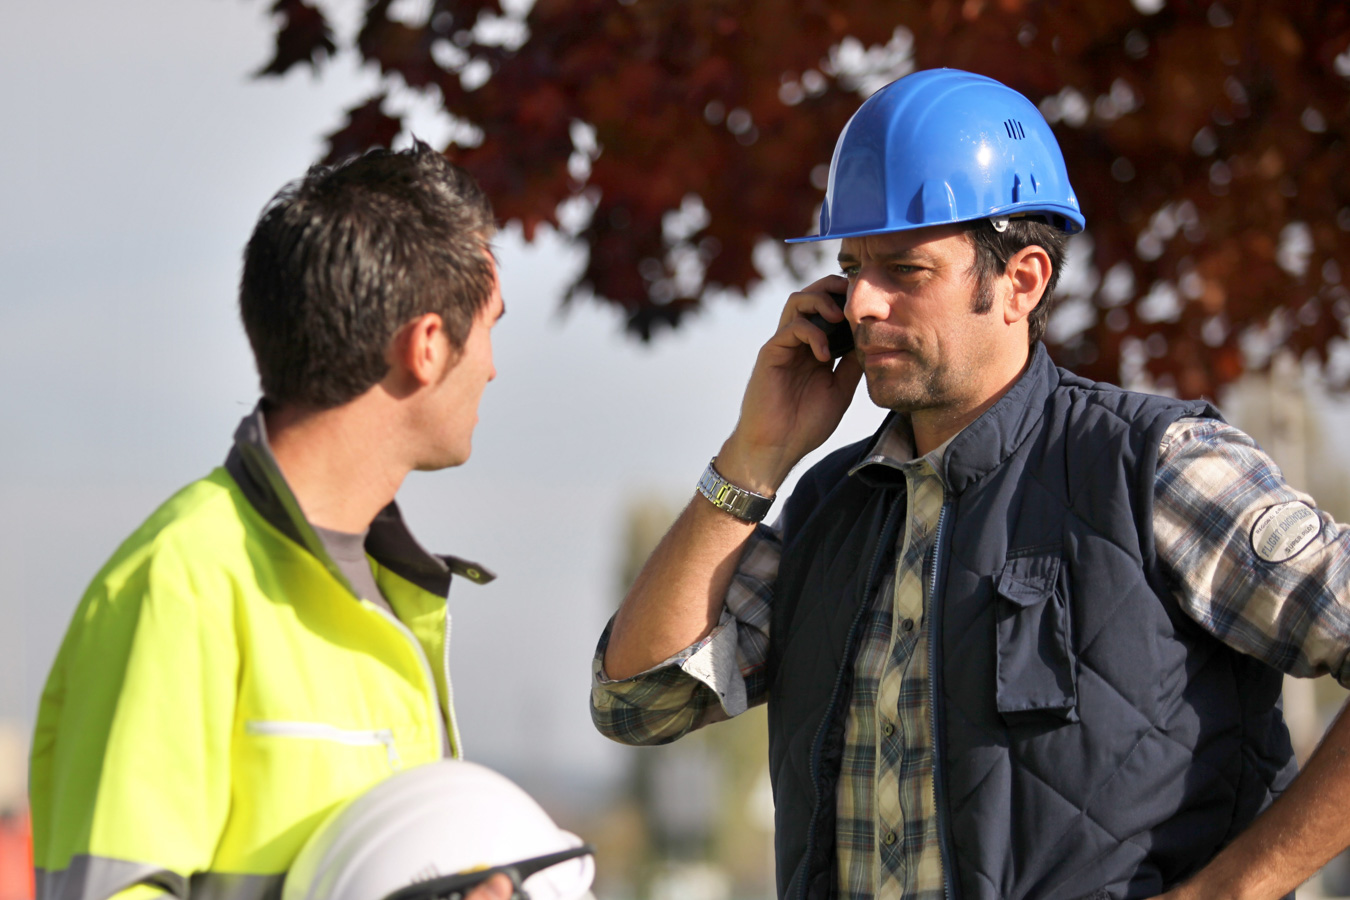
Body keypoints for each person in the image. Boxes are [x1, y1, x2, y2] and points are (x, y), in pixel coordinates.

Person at [591, 68, 1350, 900]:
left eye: (905, 270)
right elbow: (639, 701)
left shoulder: (1155, 466)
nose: (863, 303)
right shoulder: (826, 509)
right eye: (851, 267)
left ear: (1022, 281)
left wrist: (1232, 890)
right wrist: (754, 457)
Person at [30, 143, 515, 900]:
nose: (492, 366)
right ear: (426, 346)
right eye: (491, 327)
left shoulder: (393, 595)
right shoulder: (181, 582)